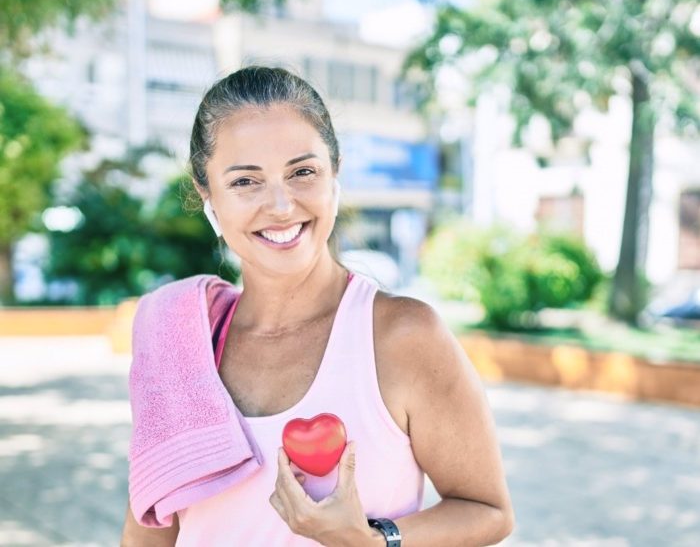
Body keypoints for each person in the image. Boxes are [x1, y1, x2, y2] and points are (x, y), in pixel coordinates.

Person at [120, 66, 513, 546]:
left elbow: (488, 512)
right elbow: (149, 530)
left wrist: (371, 540)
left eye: (302, 172)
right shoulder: (178, 340)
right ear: (208, 196)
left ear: (334, 174)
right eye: (245, 181)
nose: (282, 206)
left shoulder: (401, 336)